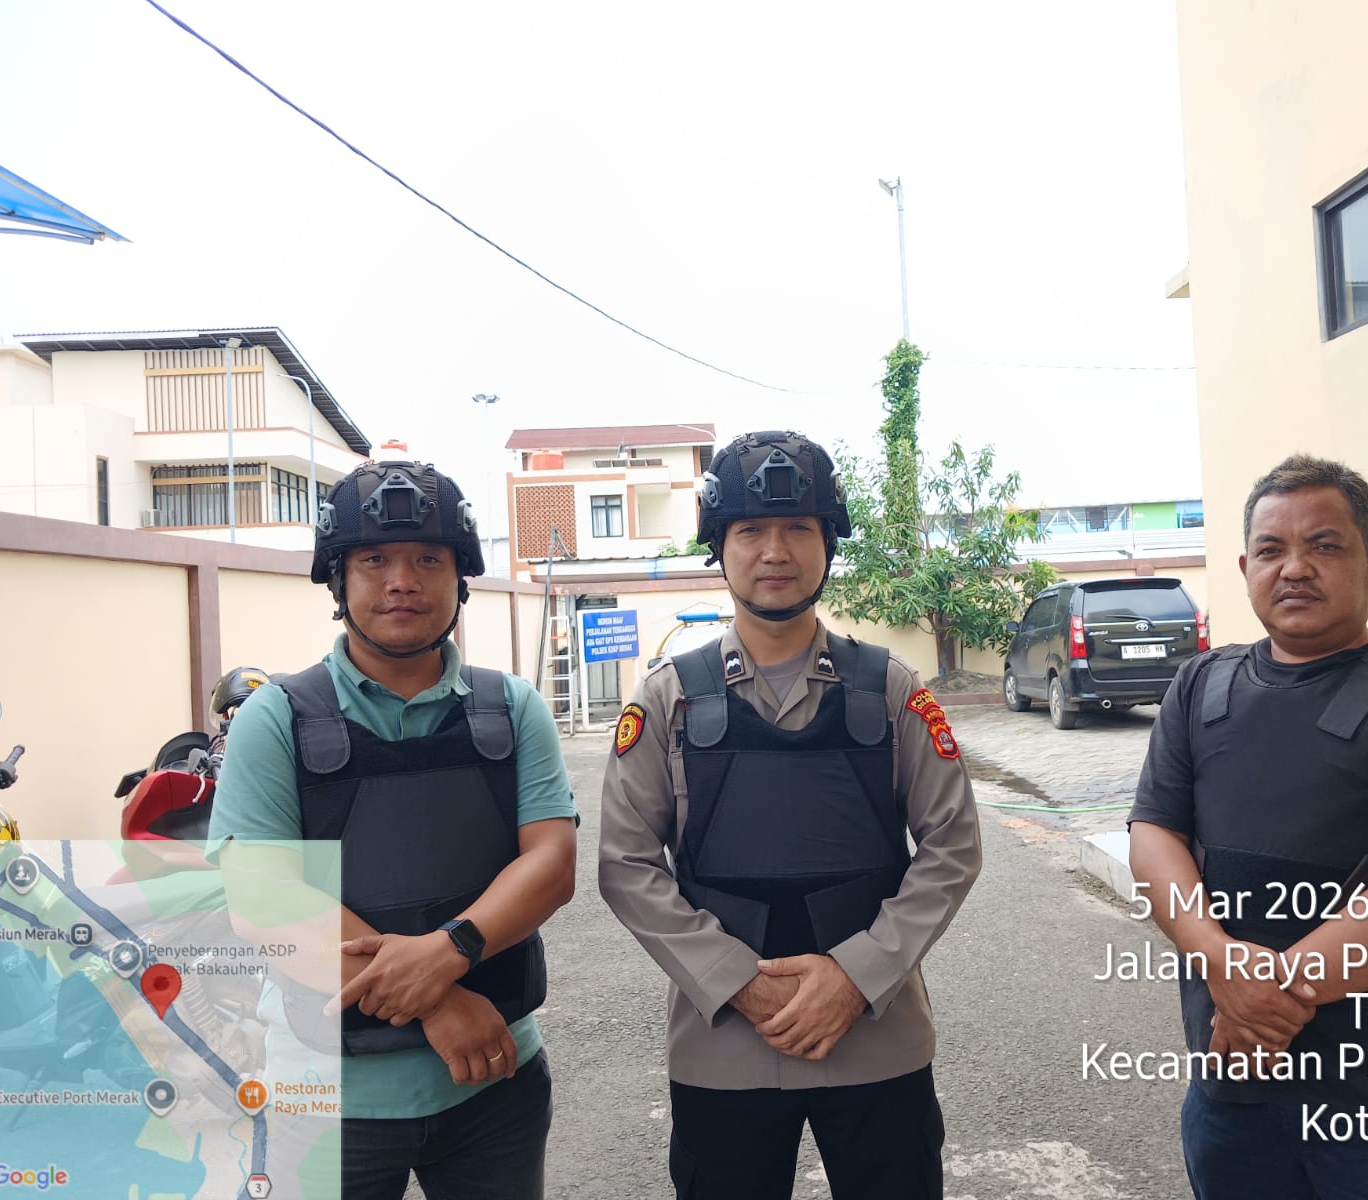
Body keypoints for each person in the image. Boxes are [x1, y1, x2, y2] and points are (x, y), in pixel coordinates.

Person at [599, 430, 982, 1199]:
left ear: (828, 543)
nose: (775, 551)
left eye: (798, 529)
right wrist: (737, 981)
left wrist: (856, 976)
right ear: (719, 546)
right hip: (722, 1051)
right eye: (750, 530)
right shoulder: (668, 698)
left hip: (878, 1042)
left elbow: (953, 846)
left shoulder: (890, 689)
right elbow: (626, 865)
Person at [1128, 454, 1368, 1199]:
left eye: (1325, 545)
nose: (1295, 568)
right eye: (1271, 549)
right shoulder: (1200, 685)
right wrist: (1220, 961)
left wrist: (1257, 1001)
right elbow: (1154, 834)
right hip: (1236, 1099)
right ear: (1245, 568)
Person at [208, 460, 577, 1200]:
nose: (402, 581)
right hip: (324, 1098)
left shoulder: (512, 709)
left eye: (428, 560)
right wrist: (438, 999)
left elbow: (551, 861)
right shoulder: (275, 718)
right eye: (374, 560)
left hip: (494, 1082)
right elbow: (263, 896)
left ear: (460, 579)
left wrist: (449, 949)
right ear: (337, 581)